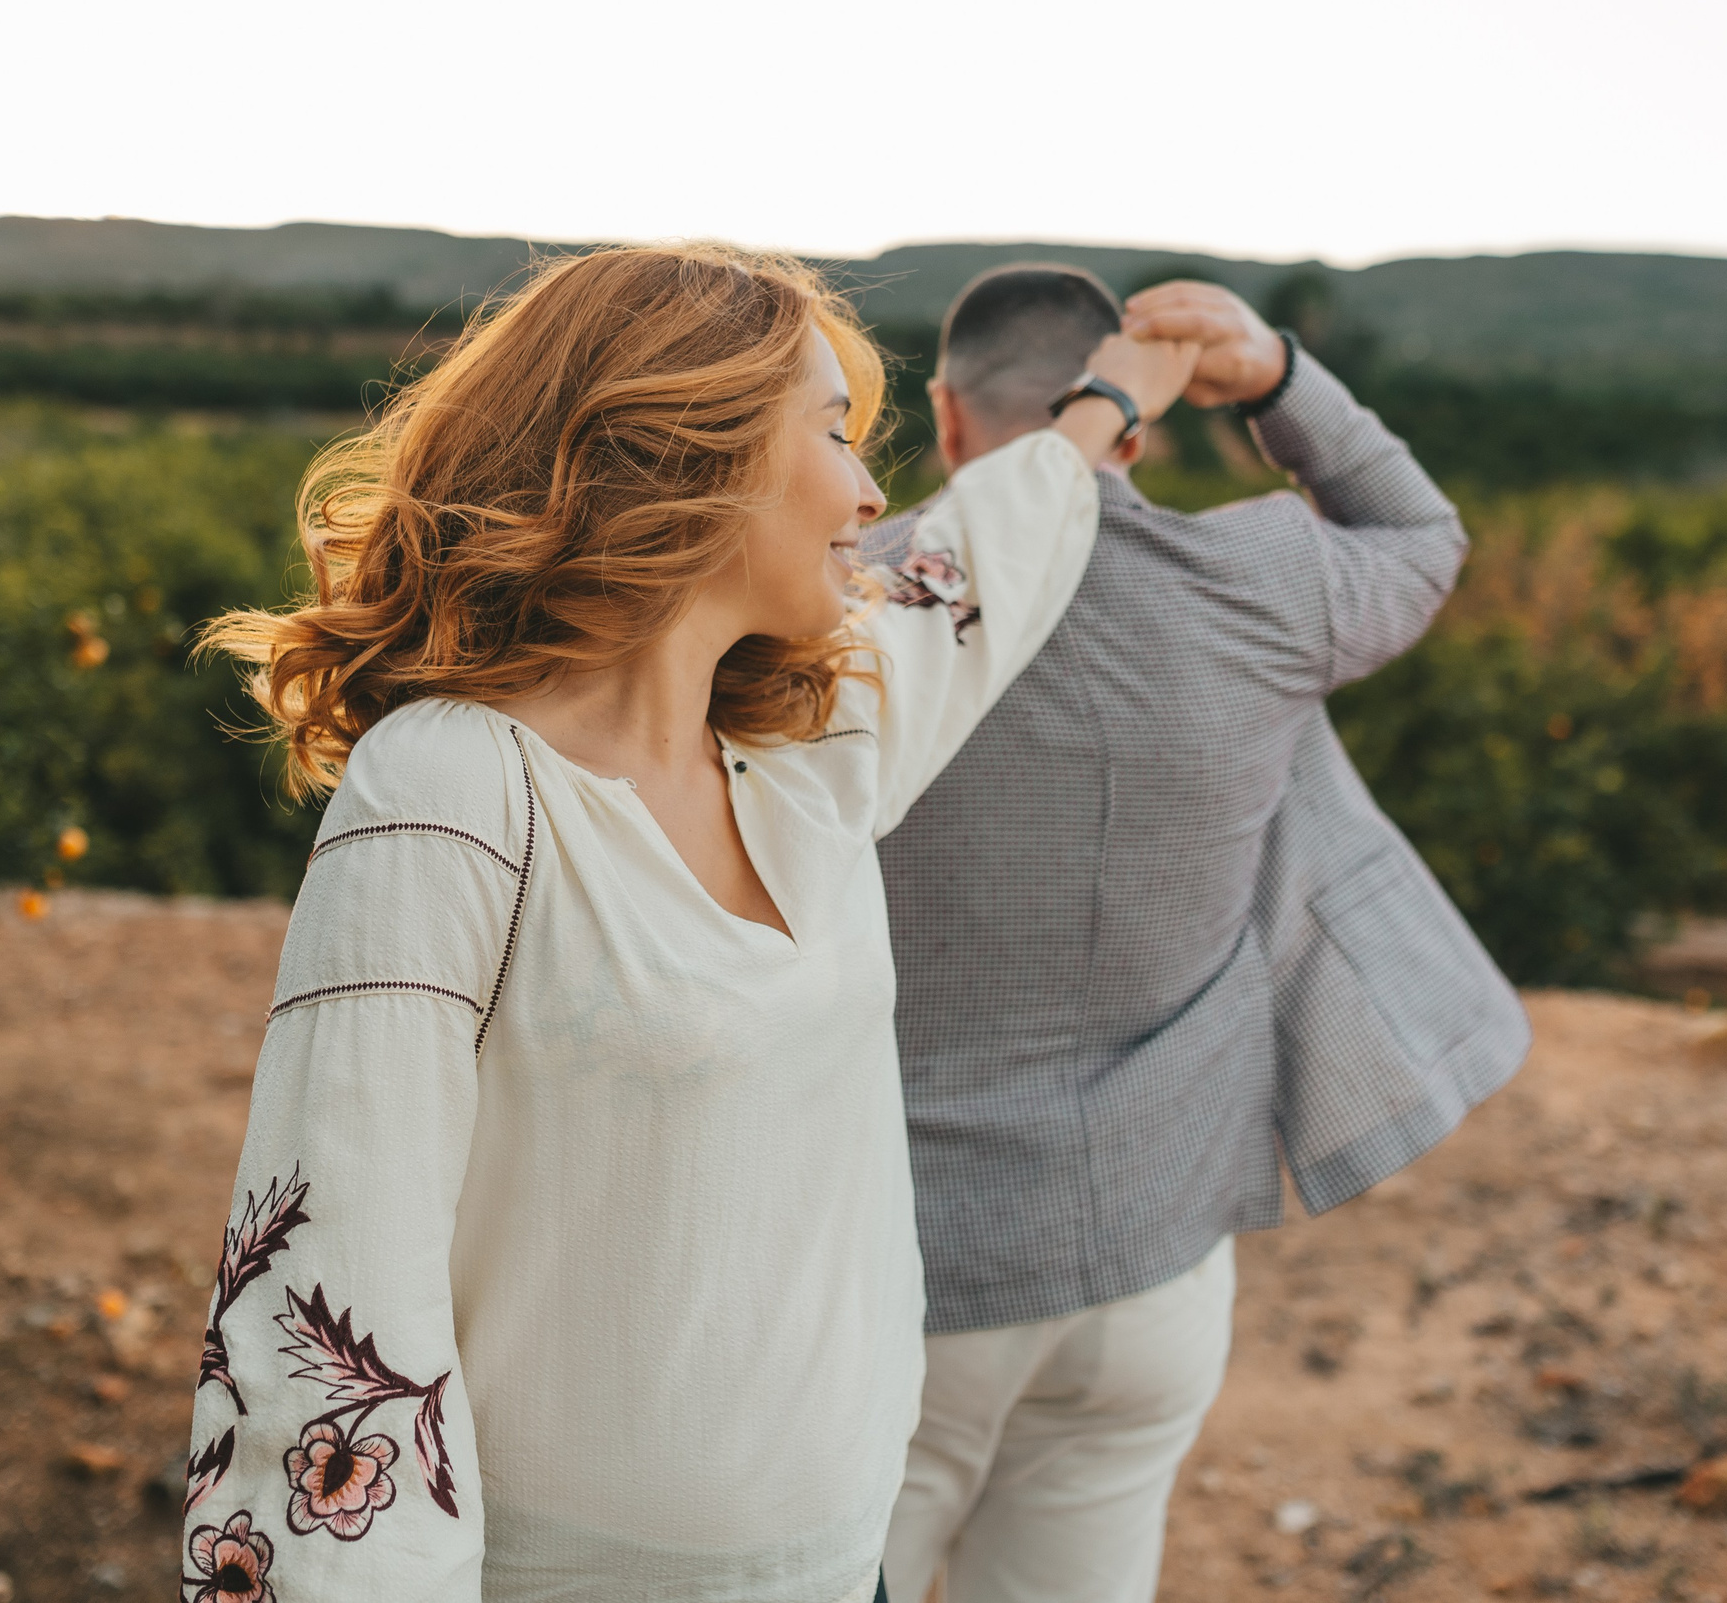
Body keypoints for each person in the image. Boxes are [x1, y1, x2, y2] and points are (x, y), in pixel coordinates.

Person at [181, 245, 1198, 1603]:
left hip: (848, 1574)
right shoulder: (453, 788)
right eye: (834, 435)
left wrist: (1108, 407)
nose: (872, 491)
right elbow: (325, 1291)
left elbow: (978, 566)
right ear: (692, 455)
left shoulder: (803, 760)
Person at [868, 267, 1530, 1603]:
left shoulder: (855, 614)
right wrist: (1279, 379)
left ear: (946, 418)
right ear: (1135, 423)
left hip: (890, 1278)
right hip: (1149, 1270)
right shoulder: (1263, 584)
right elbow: (1420, 529)